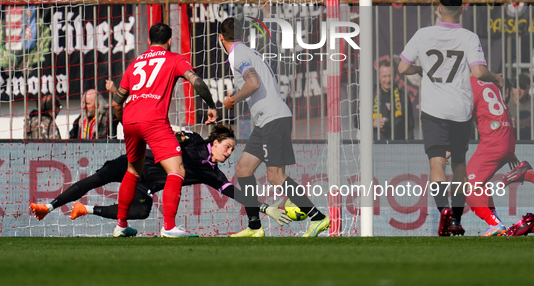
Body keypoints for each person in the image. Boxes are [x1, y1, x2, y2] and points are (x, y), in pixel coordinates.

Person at [30, 126, 291, 234]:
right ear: (215, 141)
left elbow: (233, 192)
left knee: (142, 211)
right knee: (94, 180)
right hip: (136, 162)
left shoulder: (213, 174)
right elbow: (174, 134)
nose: (230, 152)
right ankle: (49, 206)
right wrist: (175, 136)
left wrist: (264, 208)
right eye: (228, 146)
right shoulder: (196, 141)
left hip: (146, 184)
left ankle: (86, 209)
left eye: (233, 149)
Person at [397, 0, 504, 237]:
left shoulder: (423, 34)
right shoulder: (468, 37)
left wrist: (421, 68)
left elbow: (402, 67)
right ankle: (455, 219)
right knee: (458, 166)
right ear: (463, 9)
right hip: (460, 111)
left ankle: (443, 211)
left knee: (437, 163)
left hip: (433, 111)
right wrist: (495, 78)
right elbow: (478, 73)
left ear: (438, 8)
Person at [219, 17, 331, 238]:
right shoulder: (247, 51)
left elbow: (253, 83)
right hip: (265, 121)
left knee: (275, 176)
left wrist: (233, 99)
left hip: (274, 119)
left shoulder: (238, 55)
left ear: (220, 37)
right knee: (243, 170)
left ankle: (318, 217)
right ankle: (254, 226)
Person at [112, 22, 218, 238]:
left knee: (133, 170)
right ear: (170, 41)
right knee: (177, 171)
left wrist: (124, 122)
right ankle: (169, 227)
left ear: (148, 41)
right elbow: (196, 82)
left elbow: (116, 102)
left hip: (130, 120)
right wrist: (211, 106)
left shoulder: (135, 63)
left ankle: (121, 225)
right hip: (153, 120)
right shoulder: (174, 58)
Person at [465, 75, 523, 236]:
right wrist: (509, 146)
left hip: (493, 142)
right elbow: (506, 113)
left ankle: (495, 224)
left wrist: (450, 148)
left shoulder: (466, 84)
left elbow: (463, 120)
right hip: (506, 140)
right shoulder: (489, 85)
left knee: (464, 187)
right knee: (479, 185)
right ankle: (495, 223)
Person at [373, 60, 414, 140]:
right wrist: (372, 123)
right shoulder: (370, 96)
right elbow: (356, 121)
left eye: (390, 76)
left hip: (398, 145)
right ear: (379, 77)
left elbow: (410, 127)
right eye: (384, 76)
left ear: (395, 76)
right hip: (376, 145)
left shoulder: (403, 97)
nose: (388, 80)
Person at [506, 74, 532, 140]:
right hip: (508, 143)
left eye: (522, 86)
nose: (518, 89)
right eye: (515, 86)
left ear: (528, 88)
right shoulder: (504, 104)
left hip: (529, 145)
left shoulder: (532, 105)